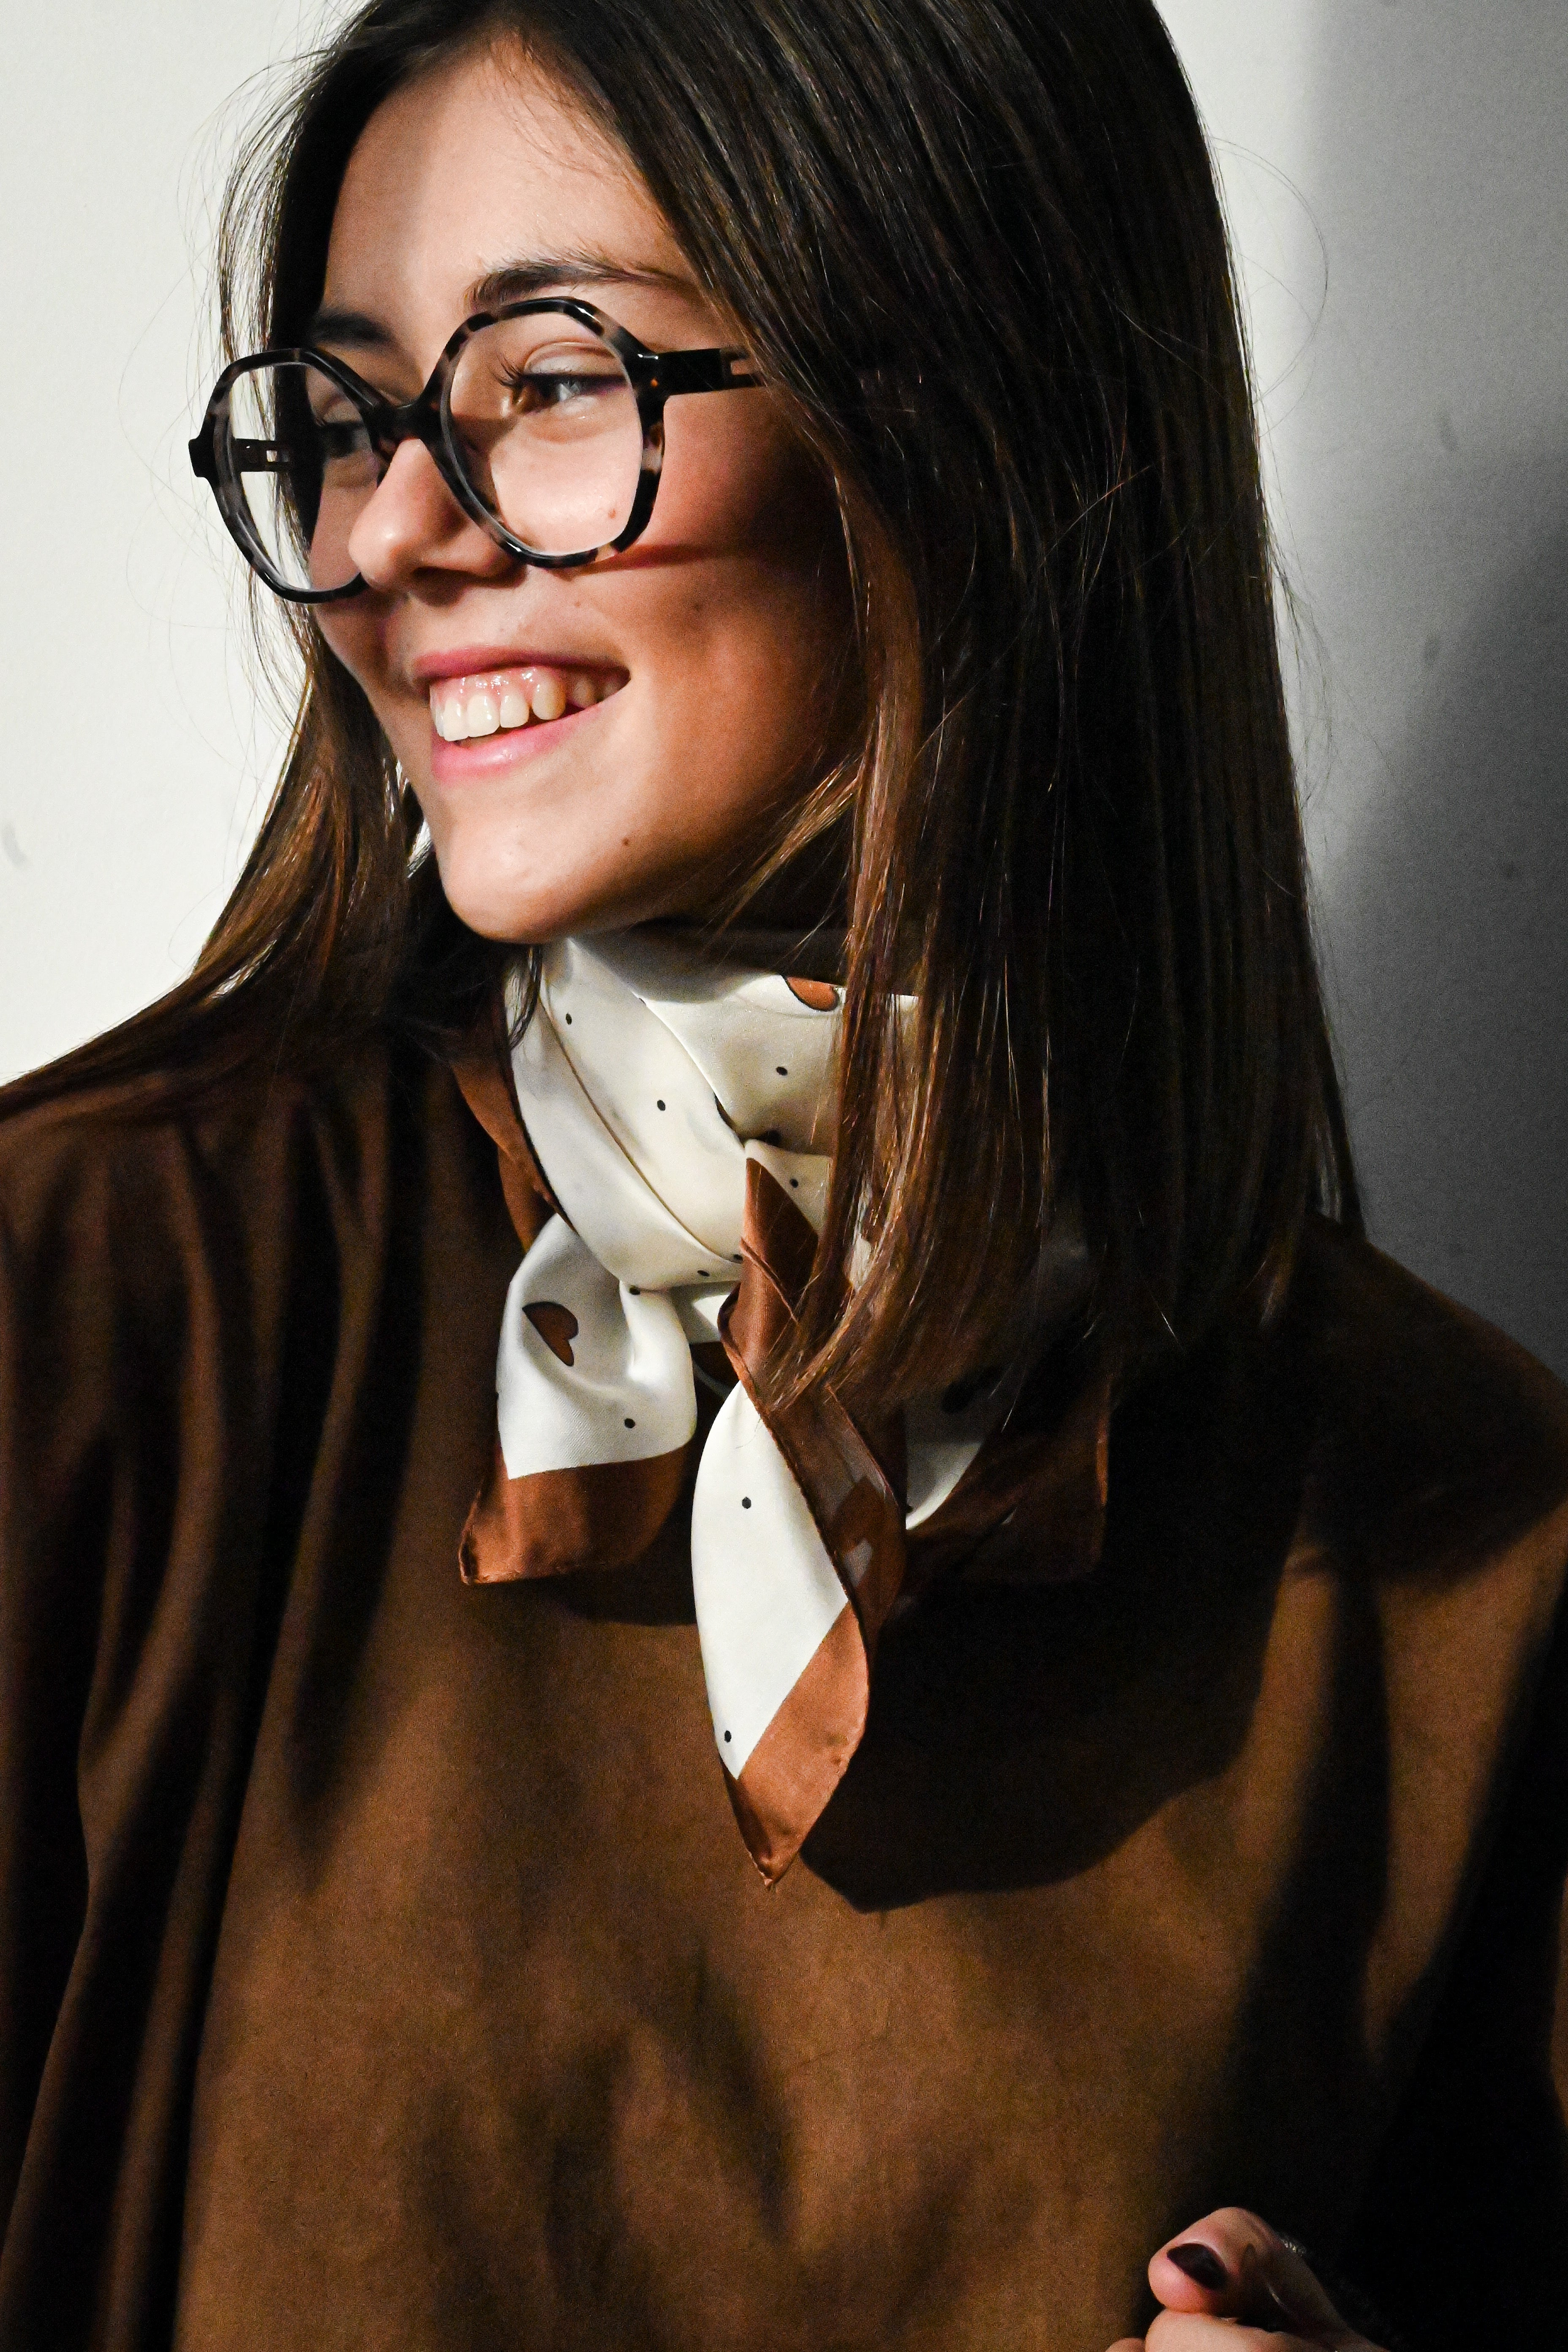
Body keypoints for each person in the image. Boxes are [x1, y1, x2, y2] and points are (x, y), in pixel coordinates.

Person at [1, 0, 1564, 2345]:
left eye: (548, 381)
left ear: (959, 421)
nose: (382, 537)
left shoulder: (1462, 1537)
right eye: (342, 418)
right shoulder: (92, 1316)